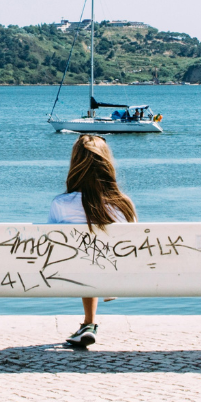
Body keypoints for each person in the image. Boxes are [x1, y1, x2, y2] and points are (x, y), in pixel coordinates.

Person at [47, 134, 136, 349]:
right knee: (94, 257)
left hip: (73, 273)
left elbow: (48, 245)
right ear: (107, 164)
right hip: (116, 271)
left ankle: (89, 322)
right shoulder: (124, 205)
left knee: (85, 259)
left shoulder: (61, 204)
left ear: (75, 164)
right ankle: (89, 322)